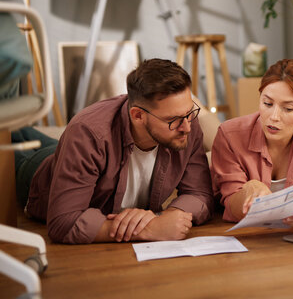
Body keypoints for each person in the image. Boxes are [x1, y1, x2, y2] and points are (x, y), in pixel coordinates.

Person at [13, 58, 214, 244]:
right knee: (9, 134)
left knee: (21, 130)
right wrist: (149, 229)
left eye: (189, 113)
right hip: (35, 171)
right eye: (173, 120)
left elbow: (200, 193)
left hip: (70, 153)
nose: (187, 127)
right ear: (137, 116)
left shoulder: (186, 123)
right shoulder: (87, 133)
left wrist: (170, 216)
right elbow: (63, 223)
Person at [211, 59, 293, 230]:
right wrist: (249, 189)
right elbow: (231, 203)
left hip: (290, 239)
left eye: (288, 108)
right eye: (267, 104)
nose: (274, 116)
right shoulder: (229, 135)